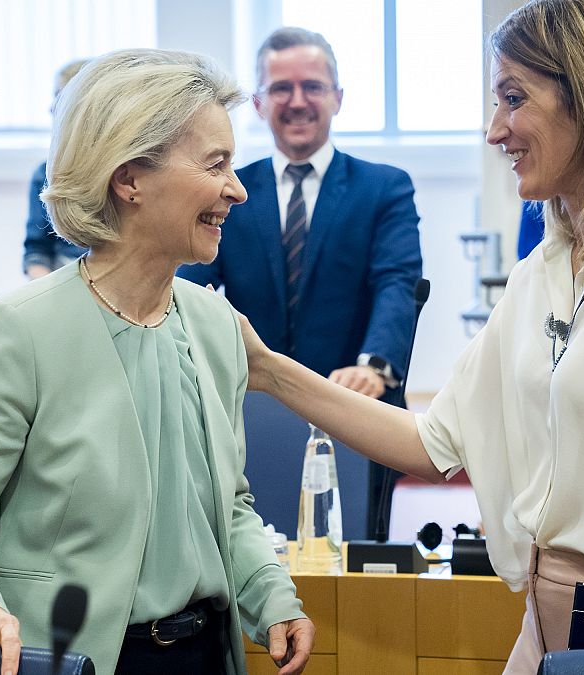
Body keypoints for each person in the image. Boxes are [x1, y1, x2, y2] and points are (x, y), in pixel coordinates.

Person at [234, 1, 584, 672]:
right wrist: (270, 369)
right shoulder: (538, 272)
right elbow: (432, 445)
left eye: (513, 98)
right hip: (542, 633)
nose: (496, 131)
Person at [0, 50, 313, 675]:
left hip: (206, 656)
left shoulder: (216, 326)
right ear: (130, 180)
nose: (239, 188)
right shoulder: (18, 328)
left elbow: (228, 508)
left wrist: (272, 595)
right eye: (216, 164)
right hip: (77, 658)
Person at [176, 26, 422, 539]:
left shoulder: (384, 188)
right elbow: (188, 286)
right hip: (253, 415)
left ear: (337, 98)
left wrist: (374, 367)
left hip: (354, 408)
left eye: (312, 86)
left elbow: (397, 283)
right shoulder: (229, 190)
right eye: (281, 88)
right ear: (261, 104)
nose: (298, 101)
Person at [22, 59, 89, 279]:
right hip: (63, 281)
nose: (51, 108)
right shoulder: (45, 174)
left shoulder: (129, 171)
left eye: (60, 96)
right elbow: (36, 251)